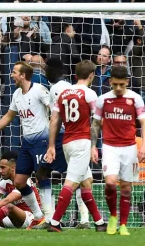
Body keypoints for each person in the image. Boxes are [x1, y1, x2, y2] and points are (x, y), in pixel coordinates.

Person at [0, 61, 58, 229]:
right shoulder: (16, 94)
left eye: (14, 72)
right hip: (27, 142)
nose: (11, 75)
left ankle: (50, 218)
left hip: (41, 140)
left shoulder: (39, 90)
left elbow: (54, 109)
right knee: (20, 181)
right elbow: (8, 116)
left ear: (23, 75)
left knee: (42, 176)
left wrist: (54, 133)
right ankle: (39, 217)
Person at [45, 60, 107, 233]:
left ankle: (99, 223)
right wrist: (94, 146)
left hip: (67, 143)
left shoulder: (63, 94)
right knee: (71, 183)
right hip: (82, 142)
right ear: (92, 75)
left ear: (75, 75)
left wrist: (51, 145)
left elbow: (54, 120)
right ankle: (55, 222)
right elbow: (96, 123)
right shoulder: (90, 94)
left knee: (86, 182)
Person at [90, 66, 145, 236]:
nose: (119, 88)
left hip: (130, 148)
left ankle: (123, 224)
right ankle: (113, 216)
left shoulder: (136, 99)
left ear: (127, 82)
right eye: (115, 85)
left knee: (127, 188)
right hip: (110, 147)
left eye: (122, 84)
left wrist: (143, 145)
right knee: (111, 183)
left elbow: (143, 123)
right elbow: (95, 124)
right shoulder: (102, 100)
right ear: (110, 82)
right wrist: (93, 146)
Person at [43, 58, 90, 229]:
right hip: (76, 135)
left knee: (73, 178)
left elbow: (56, 118)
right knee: (82, 177)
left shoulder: (57, 88)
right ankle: (84, 220)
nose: (45, 72)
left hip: (67, 135)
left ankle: (52, 219)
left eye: (47, 69)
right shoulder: (69, 87)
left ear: (54, 71)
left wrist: (52, 143)